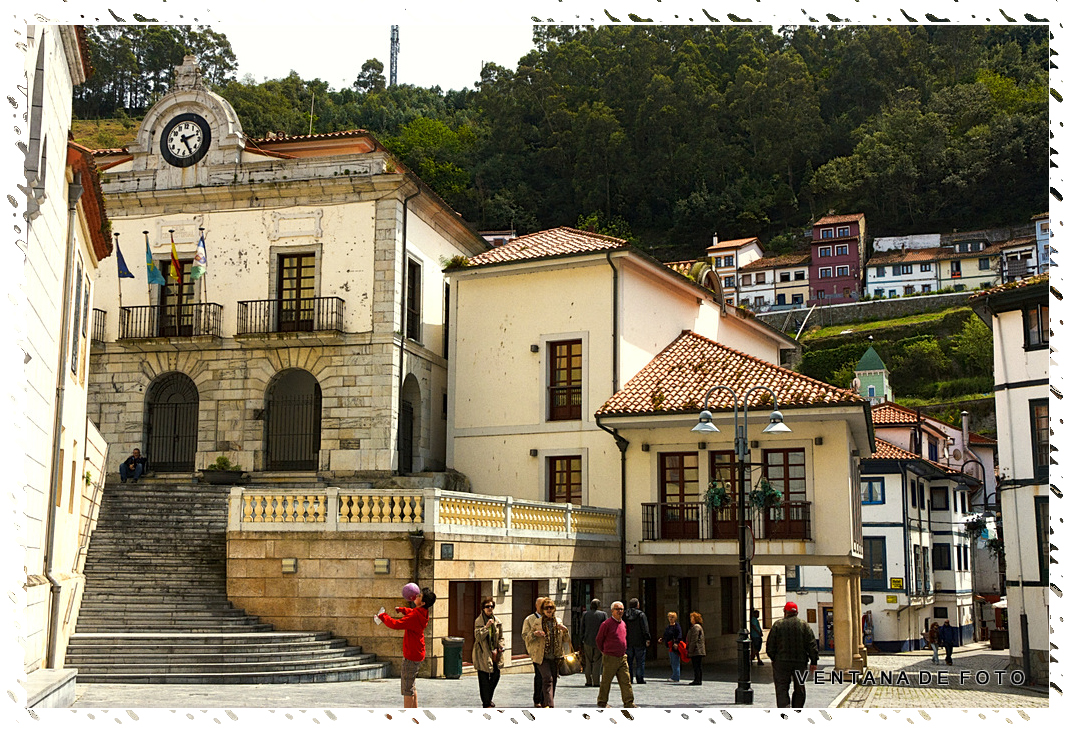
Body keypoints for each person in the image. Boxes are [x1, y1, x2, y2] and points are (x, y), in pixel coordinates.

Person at [377, 586, 437, 708]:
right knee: (411, 685)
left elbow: (395, 624)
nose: (416, 596)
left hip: (411, 654)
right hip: (418, 652)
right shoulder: (423, 613)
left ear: (423, 603)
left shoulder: (415, 616)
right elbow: (413, 612)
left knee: (407, 688)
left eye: (419, 596)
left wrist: (383, 616)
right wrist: (403, 610)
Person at [765, 601, 819, 708]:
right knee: (800, 687)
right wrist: (814, 661)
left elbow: (770, 645)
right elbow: (812, 645)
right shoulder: (804, 625)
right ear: (797, 613)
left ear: (785, 612)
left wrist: (774, 658)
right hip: (800, 662)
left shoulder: (778, 625)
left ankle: (785, 709)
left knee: (782, 688)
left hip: (781, 662)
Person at [522, 598, 568, 707]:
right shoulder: (535, 621)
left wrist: (565, 631)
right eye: (546, 608)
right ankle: (548, 704)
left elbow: (565, 639)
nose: (549, 610)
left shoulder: (558, 621)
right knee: (547, 679)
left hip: (555, 656)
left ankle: (545, 702)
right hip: (540, 656)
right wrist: (535, 634)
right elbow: (527, 636)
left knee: (553, 680)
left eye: (551, 608)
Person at [595, 601, 636, 708]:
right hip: (610, 657)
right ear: (612, 611)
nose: (620, 611)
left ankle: (629, 702)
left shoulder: (623, 624)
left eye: (622, 609)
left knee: (626, 681)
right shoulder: (606, 624)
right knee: (606, 681)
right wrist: (604, 651)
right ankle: (602, 702)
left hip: (622, 656)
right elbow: (599, 640)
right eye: (617, 609)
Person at [473, 596, 504, 708]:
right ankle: (486, 703)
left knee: (496, 675)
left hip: (495, 653)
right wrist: (486, 627)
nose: (490, 608)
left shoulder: (497, 621)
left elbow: (501, 637)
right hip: (482, 653)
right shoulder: (479, 621)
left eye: (491, 606)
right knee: (484, 679)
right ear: (483, 608)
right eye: (487, 607)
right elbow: (478, 637)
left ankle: (488, 698)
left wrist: (501, 646)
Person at [521, 597, 549, 706]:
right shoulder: (529, 620)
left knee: (548, 677)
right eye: (541, 605)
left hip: (548, 651)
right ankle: (538, 699)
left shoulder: (549, 618)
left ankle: (546, 699)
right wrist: (534, 634)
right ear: (536, 606)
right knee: (539, 675)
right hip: (536, 652)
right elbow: (524, 635)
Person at [580, 598, 607, 687]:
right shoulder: (603, 615)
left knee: (588, 661)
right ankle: (596, 682)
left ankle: (588, 681)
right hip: (599, 642)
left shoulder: (585, 614)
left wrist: (582, 639)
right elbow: (606, 628)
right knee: (597, 661)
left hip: (587, 640)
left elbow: (582, 628)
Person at [623, 597, 650, 684]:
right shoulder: (641, 615)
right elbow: (645, 628)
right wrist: (647, 638)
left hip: (628, 641)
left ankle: (629, 678)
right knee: (640, 661)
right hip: (640, 641)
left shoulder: (625, 615)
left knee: (629, 662)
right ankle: (640, 678)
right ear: (637, 605)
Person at [660, 611, 683, 682]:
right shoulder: (668, 627)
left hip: (675, 646)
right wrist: (662, 639)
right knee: (672, 661)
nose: (671, 619)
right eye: (669, 617)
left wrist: (676, 643)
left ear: (675, 618)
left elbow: (679, 635)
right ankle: (674, 675)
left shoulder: (677, 626)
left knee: (675, 661)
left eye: (672, 617)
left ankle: (676, 677)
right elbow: (666, 635)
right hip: (669, 646)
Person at [685, 611, 706, 685]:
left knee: (697, 665)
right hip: (697, 650)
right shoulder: (695, 627)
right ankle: (697, 679)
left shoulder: (696, 627)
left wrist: (690, 650)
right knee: (697, 665)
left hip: (697, 650)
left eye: (692, 618)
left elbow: (694, 639)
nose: (691, 619)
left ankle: (697, 680)